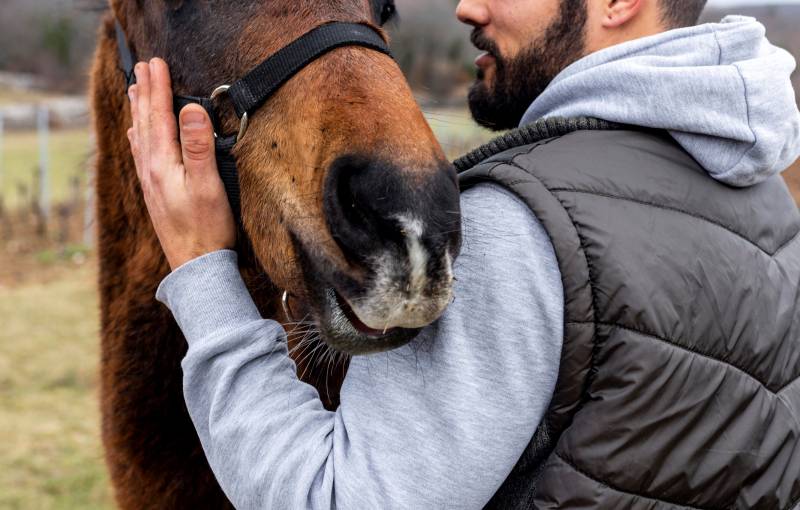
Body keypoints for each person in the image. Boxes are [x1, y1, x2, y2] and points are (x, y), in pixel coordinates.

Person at [126, 0, 800, 508]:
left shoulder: (523, 224)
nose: (466, 7)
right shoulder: (761, 195)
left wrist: (201, 272)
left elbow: (332, 497)